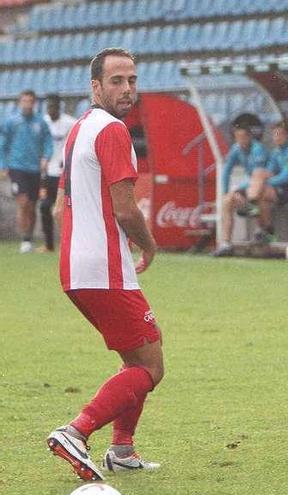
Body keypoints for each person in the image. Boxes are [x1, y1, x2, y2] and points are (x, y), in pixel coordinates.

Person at [46, 47, 164, 481]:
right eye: (116, 81)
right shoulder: (113, 131)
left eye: (132, 80)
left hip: (78, 267)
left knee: (139, 352)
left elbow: (61, 208)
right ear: (95, 87)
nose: (127, 88)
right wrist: (149, 246)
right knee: (151, 365)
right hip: (104, 268)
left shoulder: (78, 129)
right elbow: (126, 209)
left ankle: (122, 449)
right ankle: (76, 432)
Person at [237, 120, 288, 244]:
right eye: (275, 134)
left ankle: (261, 222)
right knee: (259, 177)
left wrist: (263, 184)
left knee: (262, 191)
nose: (277, 138)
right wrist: (252, 184)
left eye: (280, 134)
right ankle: (267, 232)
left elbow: (287, 176)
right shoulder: (276, 152)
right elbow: (268, 172)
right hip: (285, 186)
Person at [0, 89, 53, 253]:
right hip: (17, 168)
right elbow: (3, 144)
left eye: (30, 101)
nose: (27, 104)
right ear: (19, 103)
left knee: (32, 204)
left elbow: (48, 142)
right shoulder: (11, 122)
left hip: (35, 169)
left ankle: (29, 237)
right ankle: (25, 239)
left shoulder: (41, 122)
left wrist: (46, 156)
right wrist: (3, 166)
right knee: (22, 202)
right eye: (24, 101)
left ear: (34, 103)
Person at [211, 124, 269, 256]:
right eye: (237, 137)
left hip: (265, 184)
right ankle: (226, 243)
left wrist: (237, 189)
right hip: (250, 187)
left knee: (257, 194)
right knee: (227, 201)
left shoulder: (258, 149)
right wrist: (225, 192)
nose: (240, 140)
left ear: (249, 137)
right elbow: (226, 170)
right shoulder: (236, 149)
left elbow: (257, 174)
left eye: (243, 137)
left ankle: (262, 231)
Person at [40, 94, 77, 253]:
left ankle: (71, 243)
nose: (51, 110)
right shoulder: (43, 123)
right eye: (49, 107)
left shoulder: (71, 123)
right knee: (44, 206)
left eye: (54, 106)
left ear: (59, 107)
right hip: (47, 173)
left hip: (65, 173)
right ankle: (49, 244)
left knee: (67, 208)